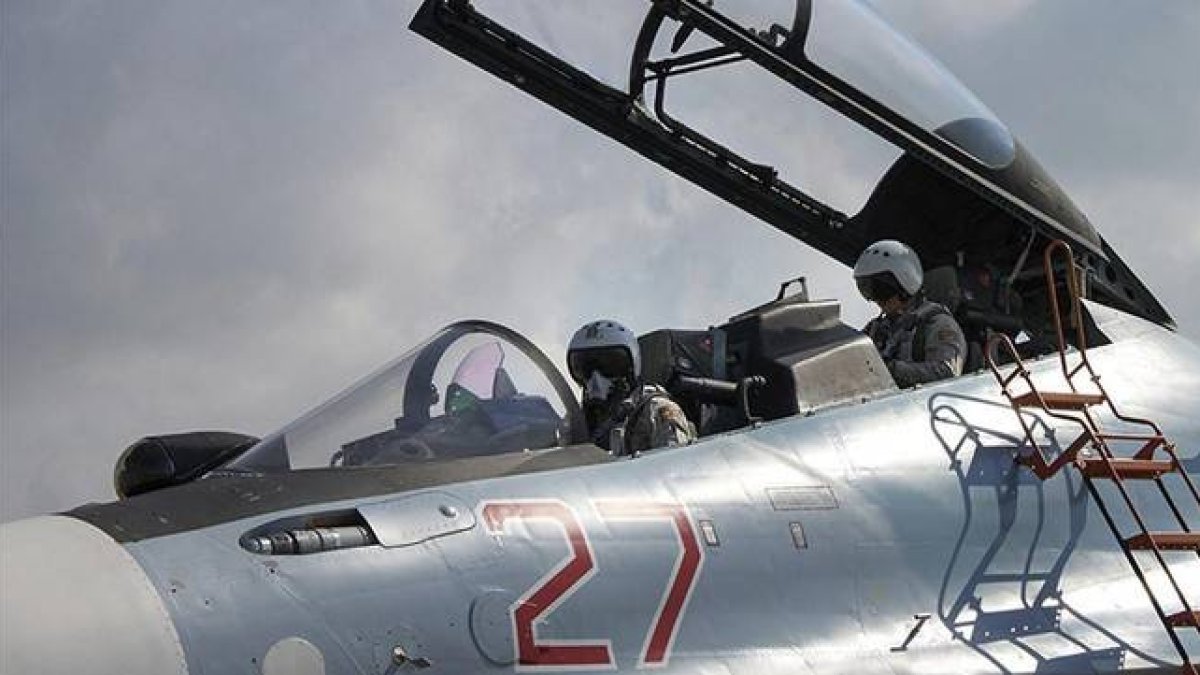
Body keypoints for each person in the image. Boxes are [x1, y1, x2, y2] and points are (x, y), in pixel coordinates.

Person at [566, 319, 695, 455]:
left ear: (631, 367)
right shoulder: (576, 421)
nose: (596, 378)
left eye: (609, 365)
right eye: (584, 367)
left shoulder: (657, 411)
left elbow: (674, 464)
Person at [853, 240, 966, 387]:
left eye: (880, 289)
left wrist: (891, 370)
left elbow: (946, 372)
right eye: (866, 289)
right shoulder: (876, 329)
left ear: (903, 283)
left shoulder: (937, 323)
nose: (875, 299)